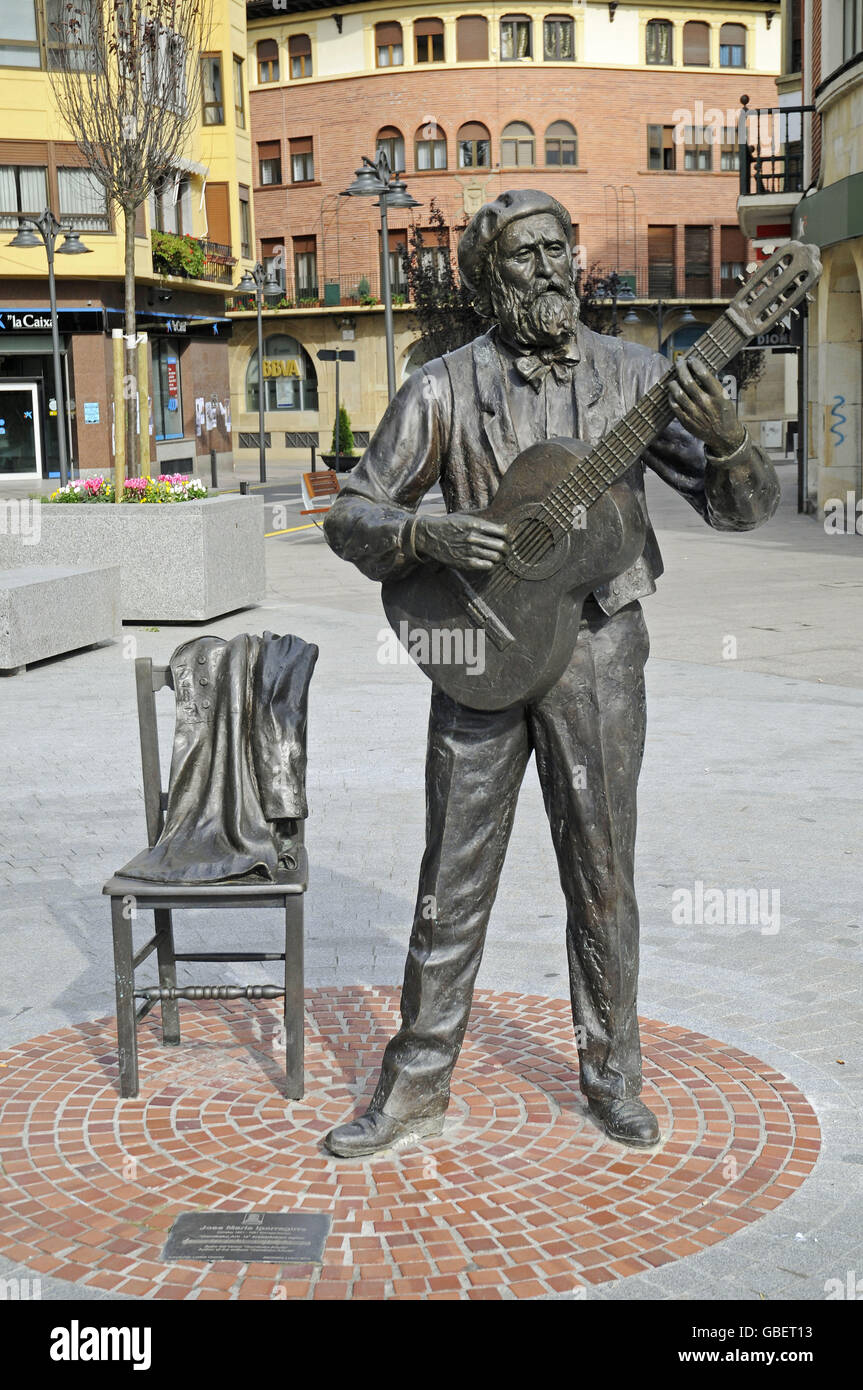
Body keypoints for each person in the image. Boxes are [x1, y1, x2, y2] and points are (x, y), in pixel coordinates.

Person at [322, 189, 779, 1157]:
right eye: (523, 256)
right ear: (488, 278)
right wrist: (420, 529)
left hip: (598, 648)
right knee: (448, 875)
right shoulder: (438, 389)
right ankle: (413, 1087)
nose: (547, 270)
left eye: (557, 250)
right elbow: (348, 514)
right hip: (474, 649)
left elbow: (737, 509)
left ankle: (611, 1077)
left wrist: (733, 438)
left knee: (602, 875)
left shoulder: (635, 377)